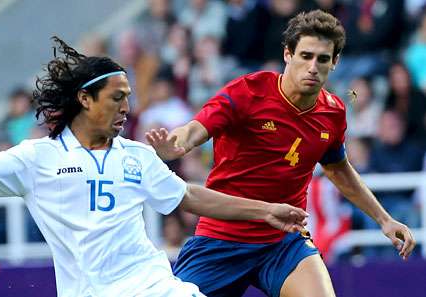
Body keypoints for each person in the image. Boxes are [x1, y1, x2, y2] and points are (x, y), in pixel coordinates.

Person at [0, 37, 309, 297]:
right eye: (117, 97)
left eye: (129, 98)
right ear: (85, 99)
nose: (126, 107)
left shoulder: (135, 155)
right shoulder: (37, 157)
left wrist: (266, 211)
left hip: (153, 285)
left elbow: (189, 196)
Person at [146, 10, 416, 297]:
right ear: (288, 54)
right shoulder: (247, 92)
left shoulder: (333, 112)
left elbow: (339, 169)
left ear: (335, 62)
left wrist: (384, 219)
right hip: (221, 238)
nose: (313, 67)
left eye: (323, 59)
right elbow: (194, 129)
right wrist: (177, 144)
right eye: (305, 55)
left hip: (284, 242)